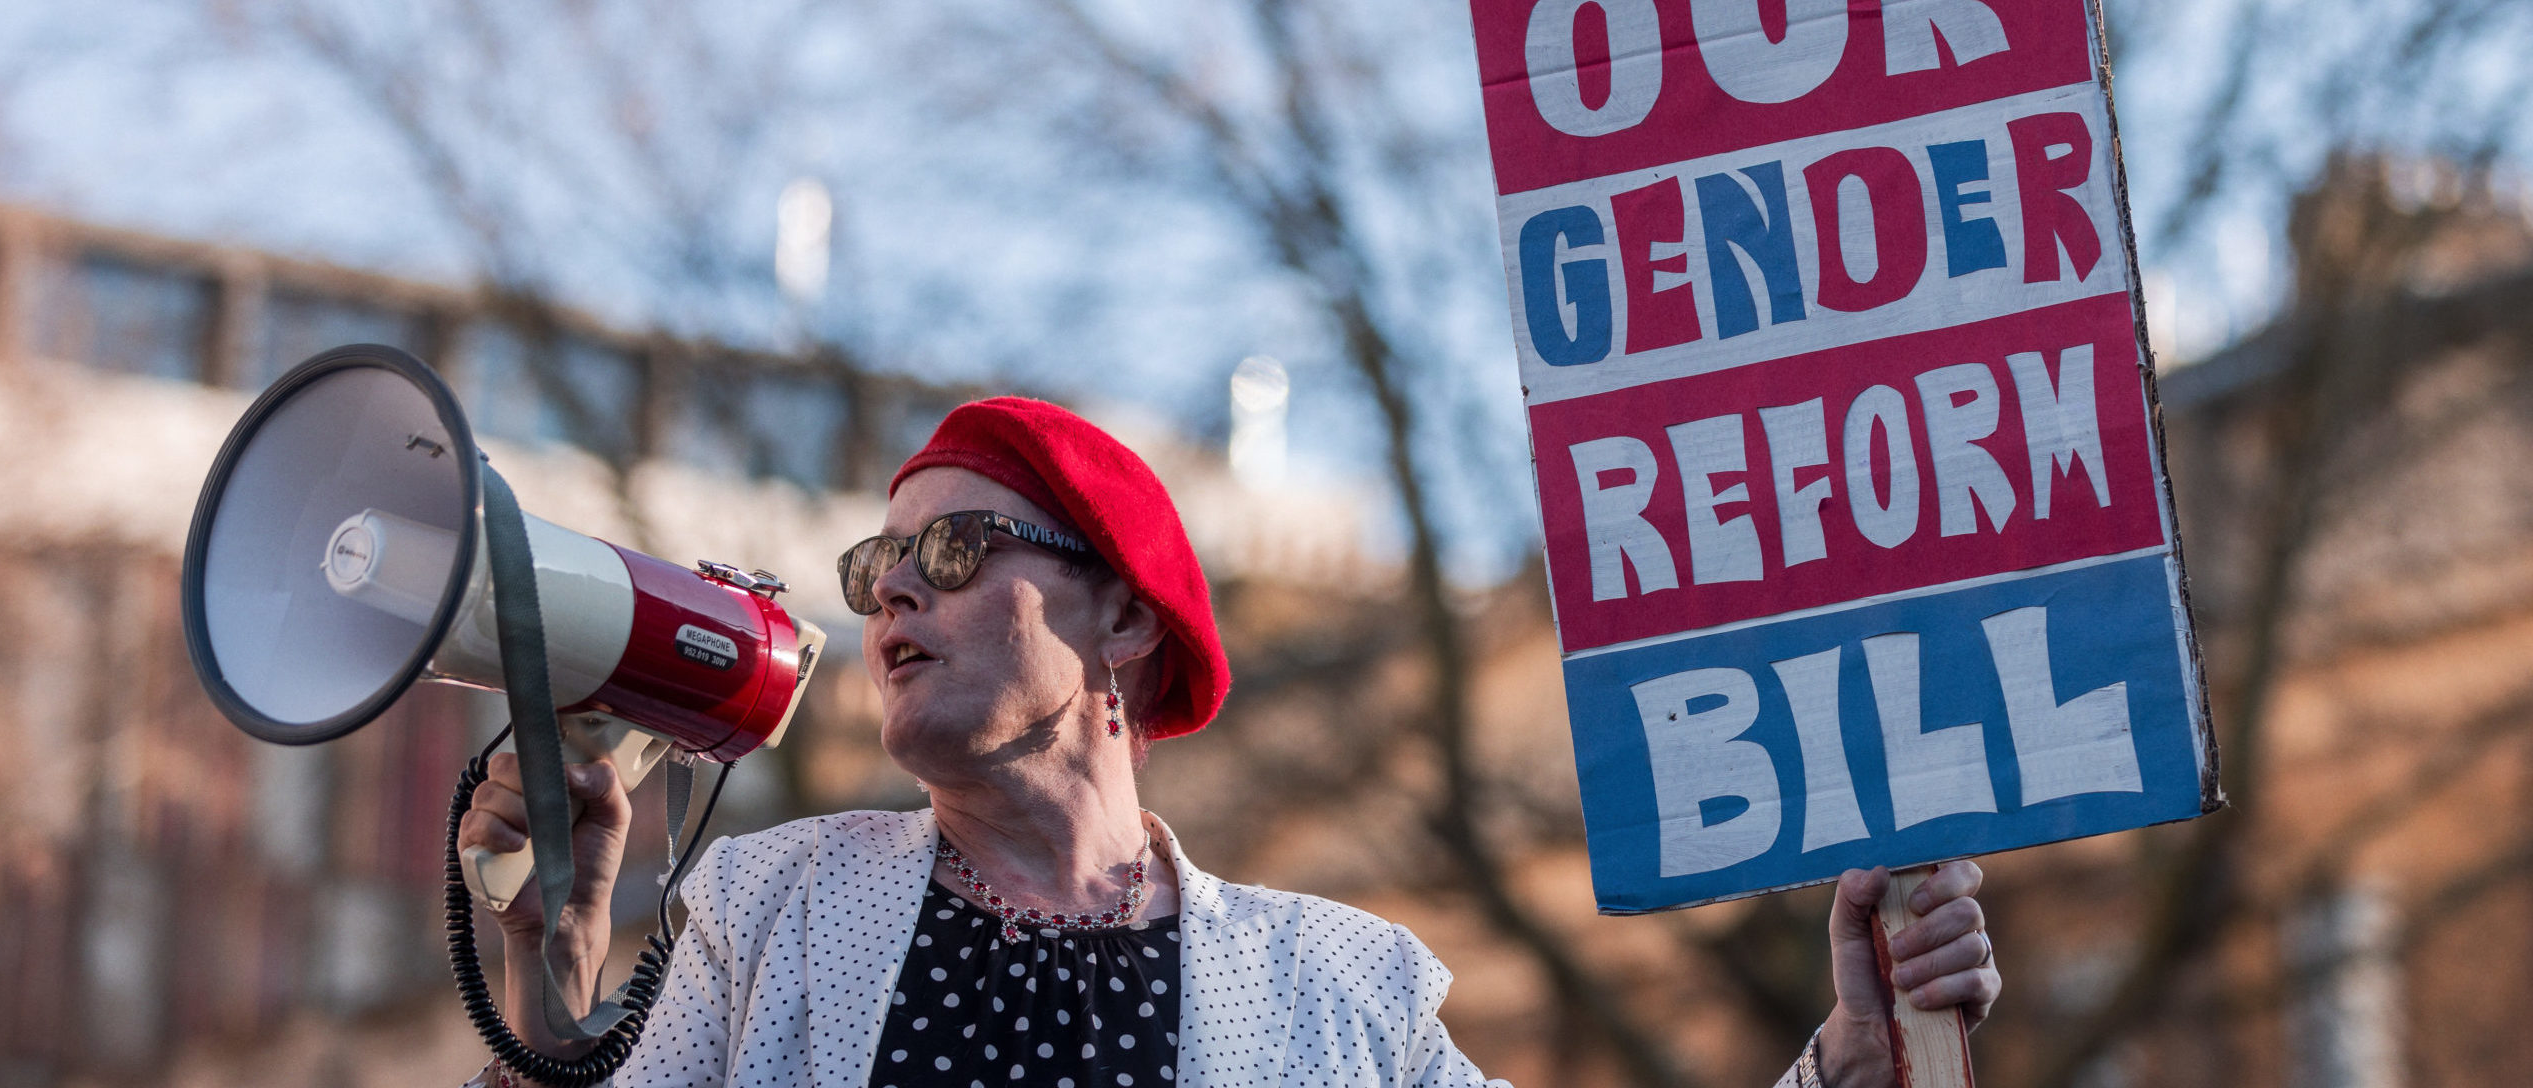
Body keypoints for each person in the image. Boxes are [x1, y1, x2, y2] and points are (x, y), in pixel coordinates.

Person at [459, 397, 2002, 1087]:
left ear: (1122, 624)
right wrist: (551, 982)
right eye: (877, 570)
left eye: (952, 553)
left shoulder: (1350, 998)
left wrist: (1849, 1071)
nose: (890, 601)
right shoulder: (765, 912)